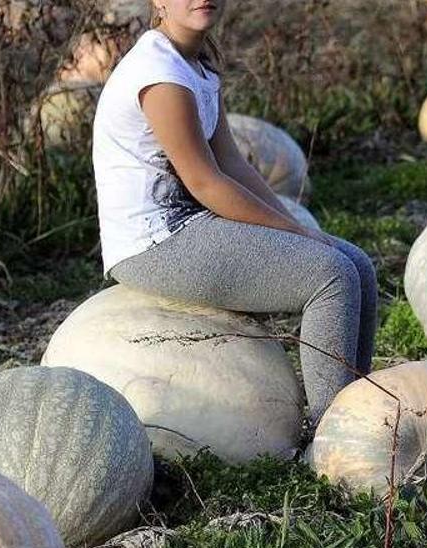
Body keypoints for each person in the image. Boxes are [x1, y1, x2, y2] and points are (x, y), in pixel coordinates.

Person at [92, 0, 378, 427]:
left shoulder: (199, 63)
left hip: (190, 223)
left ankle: (364, 421)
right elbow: (206, 183)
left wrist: (295, 226)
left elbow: (232, 163)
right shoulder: (159, 73)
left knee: (359, 266)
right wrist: (293, 232)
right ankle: (331, 432)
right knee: (331, 277)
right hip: (153, 243)